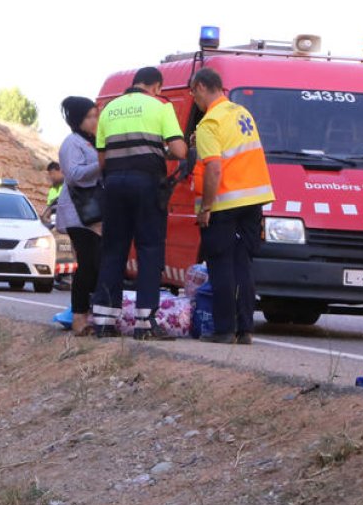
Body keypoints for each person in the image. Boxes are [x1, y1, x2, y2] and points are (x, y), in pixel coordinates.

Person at [93, 67, 188, 339]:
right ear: (156, 87)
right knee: (149, 250)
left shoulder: (109, 109)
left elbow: (102, 159)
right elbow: (179, 151)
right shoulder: (160, 107)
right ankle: (145, 324)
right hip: (146, 184)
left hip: (113, 185)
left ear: (134, 84)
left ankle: (103, 320)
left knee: (113, 250)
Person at [189, 67, 275, 345]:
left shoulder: (209, 123)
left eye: (193, 93)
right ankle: (245, 329)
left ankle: (224, 330)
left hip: (225, 203)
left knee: (221, 266)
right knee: (243, 266)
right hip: (253, 200)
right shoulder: (240, 112)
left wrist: (206, 208)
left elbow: (214, 168)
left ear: (201, 87)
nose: (194, 100)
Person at [56, 97, 102, 336]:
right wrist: (101, 166)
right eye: (89, 116)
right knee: (88, 265)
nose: (95, 120)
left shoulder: (93, 142)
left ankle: (89, 315)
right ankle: (79, 318)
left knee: (96, 265)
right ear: (77, 119)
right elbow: (74, 175)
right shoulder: (72, 143)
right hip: (78, 213)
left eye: (96, 115)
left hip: (95, 214)